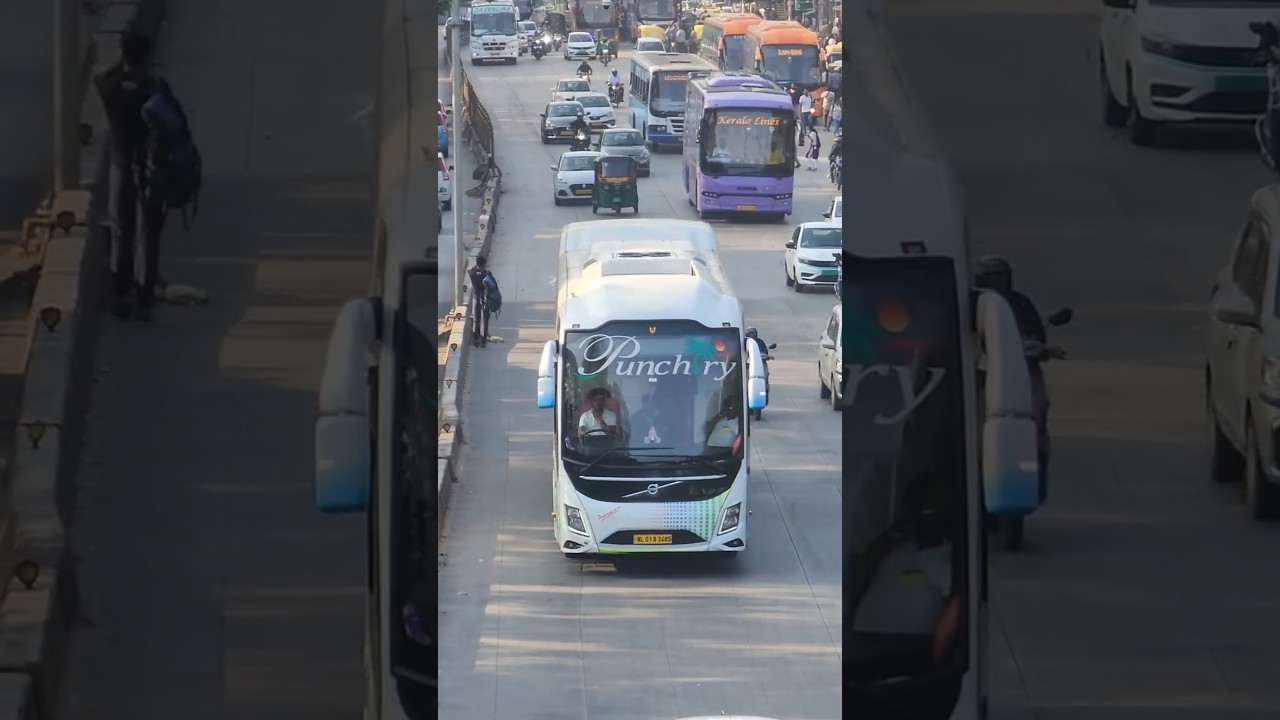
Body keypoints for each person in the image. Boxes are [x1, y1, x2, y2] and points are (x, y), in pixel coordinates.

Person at [95, 30, 167, 321]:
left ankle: (121, 294)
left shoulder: (110, 87)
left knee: (121, 230)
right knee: (148, 235)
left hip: (121, 165)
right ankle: (145, 299)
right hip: (150, 169)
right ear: (147, 59)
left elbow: (100, 78)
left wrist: (122, 66)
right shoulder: (154, 89)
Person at [973, 255, 1045, 343]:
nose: (999, 279)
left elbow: (1036, 332)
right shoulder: (972, 303)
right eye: (992, 275)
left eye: (1003, 274)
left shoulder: (1021, 302)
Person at [467, 255, 496, 347]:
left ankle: (476, 338)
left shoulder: (472, 273)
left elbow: (470, 270)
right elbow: (493, 285)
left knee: (476, 319)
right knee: (485, 319)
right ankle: (483, 341)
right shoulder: (487, 274)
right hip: (485, 299)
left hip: (476, 298)